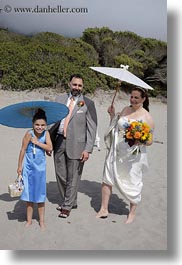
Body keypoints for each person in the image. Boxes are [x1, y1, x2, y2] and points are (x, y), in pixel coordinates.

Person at [96, 87, 155, 224]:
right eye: (131, 97)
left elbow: (150, 141)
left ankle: (132, 213)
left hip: (133, 155)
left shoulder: (147, 117)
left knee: (133, 181)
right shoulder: (125, 109)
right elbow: (116, 126)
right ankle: (104, 209)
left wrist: (139, 139)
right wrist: (112, 115)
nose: (133, 100)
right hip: (116, 150)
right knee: (107, 177)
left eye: (136, 98)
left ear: (143, 99)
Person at [50, 74, 97, 218]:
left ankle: (67, 206)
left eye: (80, 85)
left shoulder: (88, 103)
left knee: (73, 176)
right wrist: (47, 142)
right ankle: (71, 200)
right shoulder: (59, 99)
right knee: (60, 175)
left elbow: (92, 128)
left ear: (83, 87)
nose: (77, 87)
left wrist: (88, 149)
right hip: (58, 141)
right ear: (69, 84)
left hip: (77, 145)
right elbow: (51, 120)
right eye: (74, 84)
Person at [17, 109, 52, 230]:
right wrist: (19, 166)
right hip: (28, 167)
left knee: (40, 194)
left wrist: (37, 143)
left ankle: (42, 221)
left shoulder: (46, 134)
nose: (39, 127)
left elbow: (50, 147)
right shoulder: (28, 133)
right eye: (37, 124)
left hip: (40, 168)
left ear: (46, 125)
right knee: (29, 194)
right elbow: (22, 150)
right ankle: (29, 220)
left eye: (42, 125)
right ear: (33, 124)